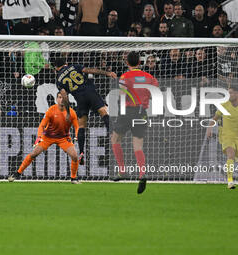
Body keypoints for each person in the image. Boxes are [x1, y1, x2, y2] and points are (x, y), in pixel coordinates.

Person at [111, 51, 159, 194]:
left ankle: (122, 171)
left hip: (127, 111)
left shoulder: (125, 76)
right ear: (140, 62)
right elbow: (155, 94)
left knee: (115, 139)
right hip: (141, 112)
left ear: (127, 63)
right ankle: (141, 173)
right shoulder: (149, 77)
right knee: (137, 145)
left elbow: (122, 94)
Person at [54, 57, 117, 165]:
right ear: (66, 63)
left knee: (81, 125)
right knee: (103, 112)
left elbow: (64, 97)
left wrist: (68, 112)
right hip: (90, 92)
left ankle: (82, 152)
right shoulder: (74, 66)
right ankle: (114, 137)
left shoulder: (59, 80)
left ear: (56, 68)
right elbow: (90, 70)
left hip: (80, 99)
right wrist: (107, 73)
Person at [8, 92, 81, 183]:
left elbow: (77, 127)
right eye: (59, 97)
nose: (61, 99)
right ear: (56, 99)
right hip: (48, 137)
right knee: (34, 154)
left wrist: (78, 135)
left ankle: (73, 178)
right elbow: (42, 125)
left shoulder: (72, 113)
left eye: (64, 98)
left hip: (63, 138)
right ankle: (17, 173)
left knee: (74, 156)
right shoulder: (51, 110)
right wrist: (39, 137)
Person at [206, 86, 238, 190]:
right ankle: (230, 181)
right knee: (230, 155)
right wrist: (209, 128)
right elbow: (214, 118)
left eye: (231, 93)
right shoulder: (224, 106)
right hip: (227, 136)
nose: (229, 95)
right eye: (228, 93)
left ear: (237, 94)